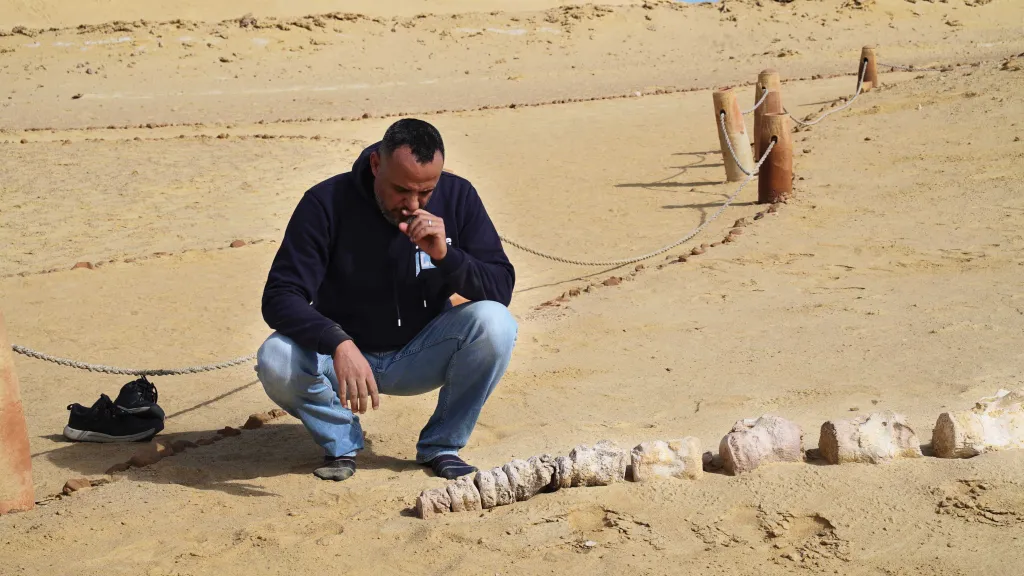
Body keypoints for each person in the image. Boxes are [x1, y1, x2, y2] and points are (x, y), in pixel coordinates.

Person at [255, 118, 518, 482]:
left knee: (496, 323)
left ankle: (442, 445)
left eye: (425, 192)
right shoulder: (325, 203)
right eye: (401, 190)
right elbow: (280, 296)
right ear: (376, 164)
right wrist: (338, 342)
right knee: (275, 358)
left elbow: (501, 287)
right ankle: (341, 442)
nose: (412, 205)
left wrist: (446, 256)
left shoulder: (459, 196)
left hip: (421, 352)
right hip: (343, 360)